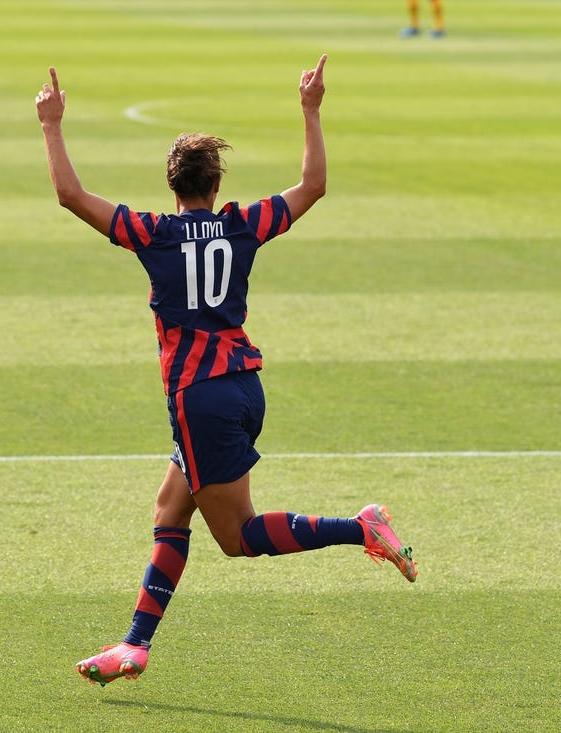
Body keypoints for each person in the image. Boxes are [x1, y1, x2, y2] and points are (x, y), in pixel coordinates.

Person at [35, 54, 417, 688]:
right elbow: (313, 185)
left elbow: (70, 195)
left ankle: (362, 527)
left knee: (238, 538)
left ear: (172, 186)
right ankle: (135, 645)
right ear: (216, 186)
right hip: (242, 385)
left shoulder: (152, 233)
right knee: (170, 508)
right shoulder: (242, 225)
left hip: (198, 398)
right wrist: (311, 110)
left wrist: (51, 124)